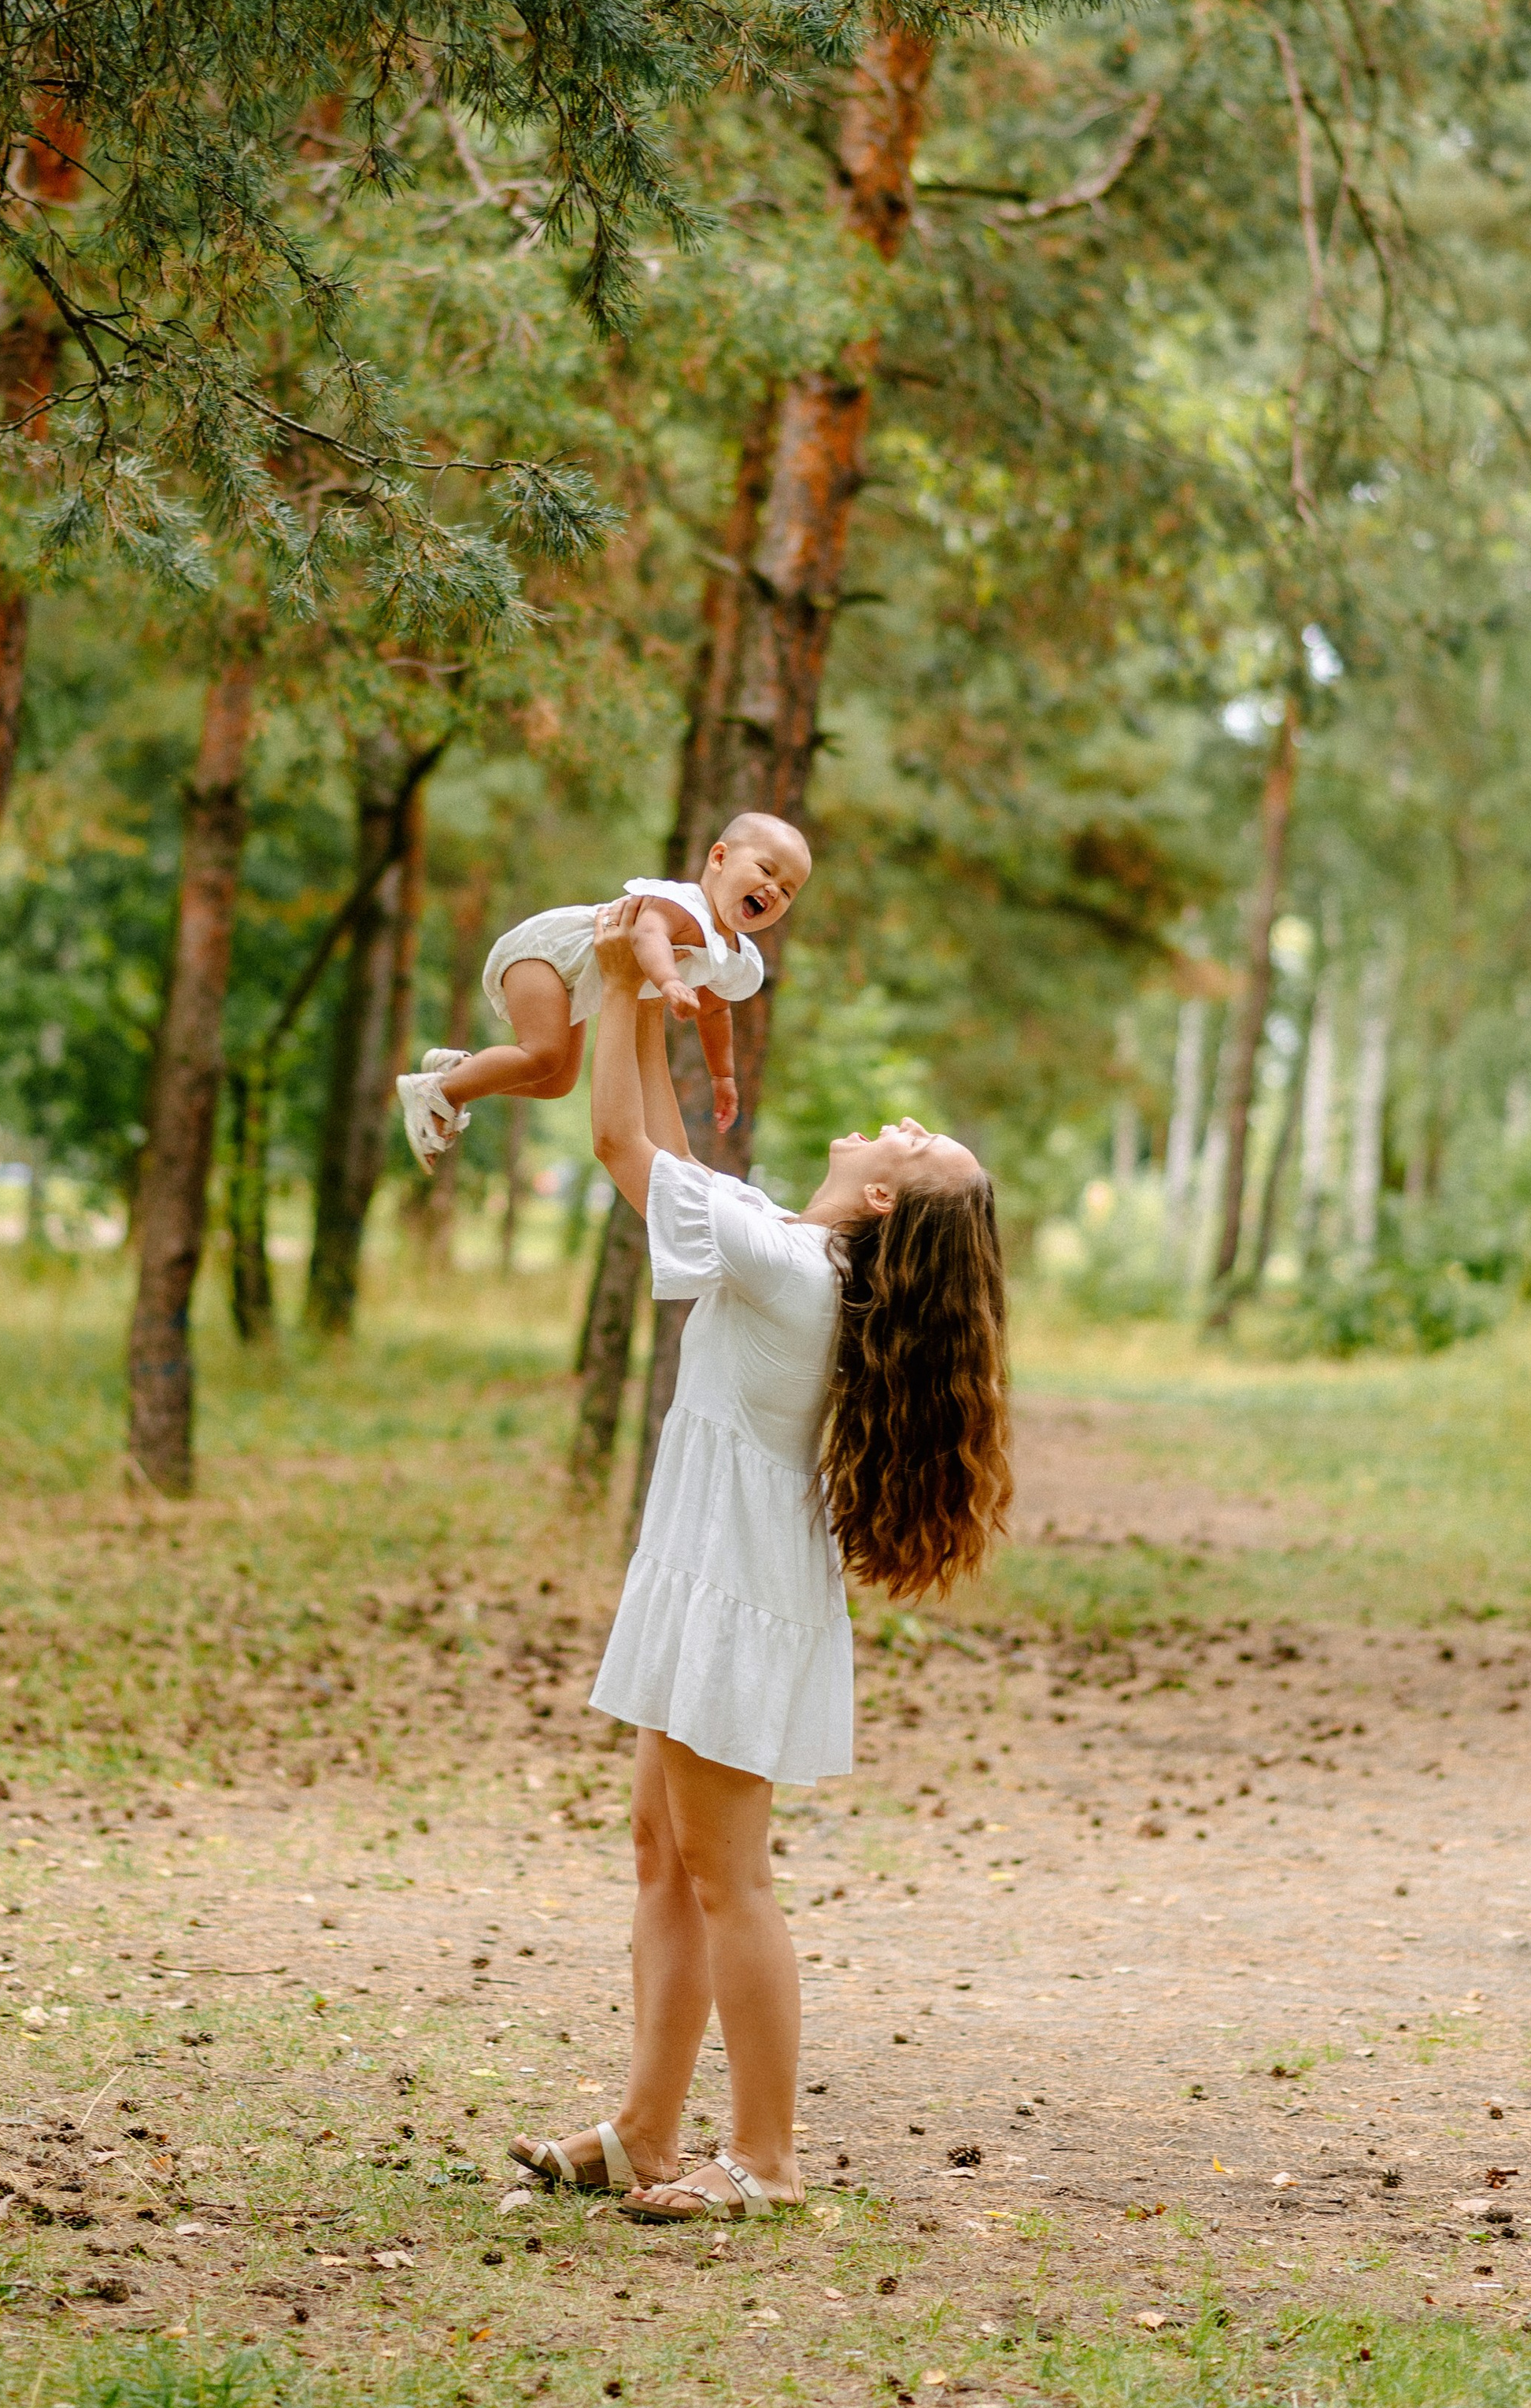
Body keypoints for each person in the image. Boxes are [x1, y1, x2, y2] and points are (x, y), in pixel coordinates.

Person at [509, 897, 1012, 2225]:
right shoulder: (792, 1251)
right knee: (662, 1856)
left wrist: (621, 977)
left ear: (890, 1195)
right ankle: (641, 2129)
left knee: (729, 1877)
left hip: (731, 1595)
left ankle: (769, 2158)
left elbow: (625, 1139)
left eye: (911, 1137)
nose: (889, 1120)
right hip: (712, 1577)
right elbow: (670, 1153)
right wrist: (640, 991)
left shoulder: (794, 1267)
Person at [394, 811, 810, 1169]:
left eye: (789, 890)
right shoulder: (683, 905)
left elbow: (715, 1012)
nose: (774, 889)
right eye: (766, 870)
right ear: (719, 858)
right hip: (549, 954)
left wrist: (723, 1076)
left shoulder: (733, 958)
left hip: (578, 984)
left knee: (556, 1081)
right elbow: (649, 934)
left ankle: (460, 1074)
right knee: (543, 1054)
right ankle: (438, 1092)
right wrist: (668, 981)